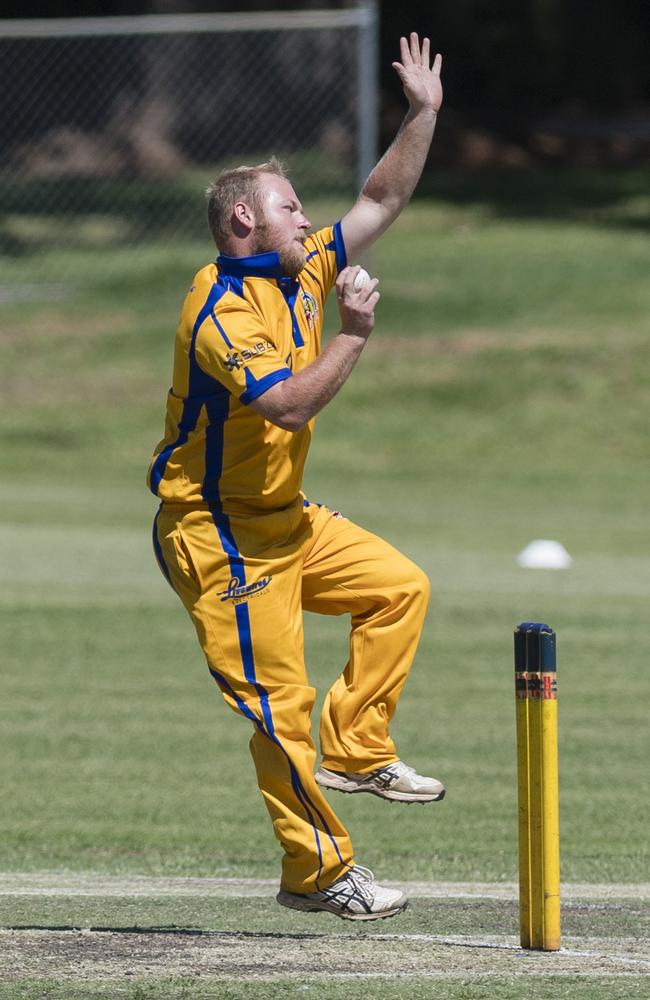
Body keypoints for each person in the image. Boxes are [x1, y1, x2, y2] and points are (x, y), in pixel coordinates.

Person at [147, 34, 444, 921]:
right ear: (245, 221)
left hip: (286, 516)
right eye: (290, 207)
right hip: (217, 529)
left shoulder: (300, 265)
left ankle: (358, 749)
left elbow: (382, 194)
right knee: (280, 707)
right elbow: (284, 409)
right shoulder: (219, 311)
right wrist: (352, 334)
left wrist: (424, 114)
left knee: (399, 589)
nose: (308, 219)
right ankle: (319, 871)